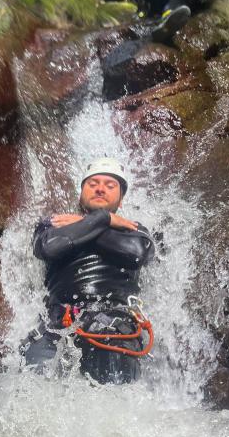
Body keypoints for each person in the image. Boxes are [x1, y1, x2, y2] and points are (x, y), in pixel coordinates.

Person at [21, 158, 155, 384]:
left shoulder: (134, 229)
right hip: (56, 324)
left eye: (110, 186)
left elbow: (136, 254)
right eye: (92, 183)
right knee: (27, 390)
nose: (100, 188)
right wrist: (103, 220)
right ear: (81, 192)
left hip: (113, 324)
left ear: (120, 199)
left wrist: (95, 222)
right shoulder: (55, 223)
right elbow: (49, 247)